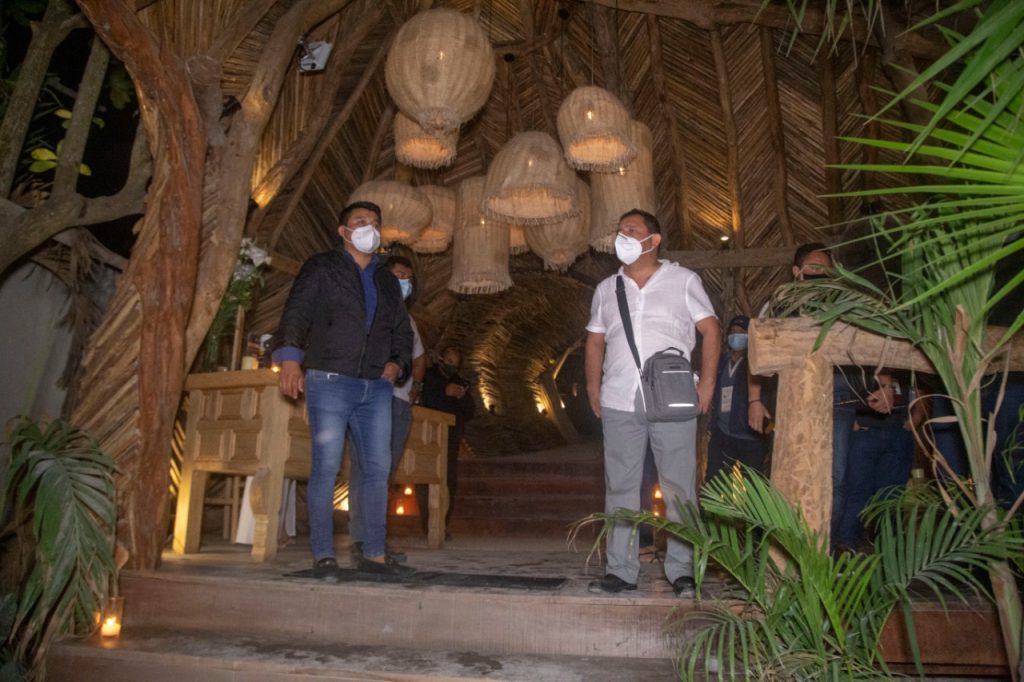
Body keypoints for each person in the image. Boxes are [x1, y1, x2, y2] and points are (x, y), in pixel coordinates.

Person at [272, 200, 415, 580]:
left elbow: (401, 330)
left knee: (378, 470)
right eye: (361, 221)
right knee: (326, 468)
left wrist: (397, 363)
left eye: (375, 222)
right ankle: (323, 555)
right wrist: (290, 359)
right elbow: (297, 312)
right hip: (330, 380)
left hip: (376, 388)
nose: (370, 227)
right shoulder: (322, 266)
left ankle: (374, 554)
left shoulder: (387, 278)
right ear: (344, 231)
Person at [585, 208, 721, 597]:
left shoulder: (683, 280)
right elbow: (595, 341)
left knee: (679, 486)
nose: (622, 236)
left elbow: (711, 330)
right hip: (619, 397)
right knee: (621, 486)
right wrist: (593, 388)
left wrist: (707, 384)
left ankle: (682, 571)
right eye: (619, 230)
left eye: (631, 230)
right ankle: (621, 571)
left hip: (672, 398)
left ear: (654, 239)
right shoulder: (606, 289)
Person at [747, 242, 859, 551]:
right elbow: (758, 350)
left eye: (826, 269)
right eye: (813, 267)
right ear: (797, 271)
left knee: (835, 477)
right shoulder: (777, 305)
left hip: (838, 400)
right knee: (788, 470)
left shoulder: (846, 306)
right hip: (790, 399)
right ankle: (784, 551)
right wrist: (754, 399)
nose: (819, 273)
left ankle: (823, 551)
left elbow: (860, 350)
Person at [348, 255, 426, 564]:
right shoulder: (366, 308)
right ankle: (361, 540)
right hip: (369, 397)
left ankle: (376, 540)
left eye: (407, 277)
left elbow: (419, 356)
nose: (402, 281)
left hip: (400, 401)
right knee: (364, 469)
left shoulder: (408, 321)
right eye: (397, 274)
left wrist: (415, 387)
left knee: (385, 472)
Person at [835, 371, 919, 552]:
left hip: (899, 433)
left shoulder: (908, 361)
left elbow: (922, 385)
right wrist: (853, 420)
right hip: (864, 432)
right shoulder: (864, 363)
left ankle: (890, 551)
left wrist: (914, 420)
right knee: (857, 492)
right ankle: (847, 547)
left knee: (891, 496)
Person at [417, 344, 475, 538]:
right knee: (425, 481)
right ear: (441, 359)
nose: (452, 366)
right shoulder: (429, 377)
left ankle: (442, 525)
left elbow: (470, 412)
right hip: (428, 437)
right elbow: (427, 400)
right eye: (449, 361)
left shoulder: (460, 382)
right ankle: (427, 524)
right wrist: (444, 391)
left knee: (448, 482)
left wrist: (461, 397)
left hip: (450, 439)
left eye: (455, 363)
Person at [705, 315, 768, 484]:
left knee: (753, 486)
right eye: (732, 332)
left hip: (750, 436)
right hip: (722, 433)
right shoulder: (721, 361)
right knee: (714, 484)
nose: (736, 336)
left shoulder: (757, 363)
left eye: (741, 332)